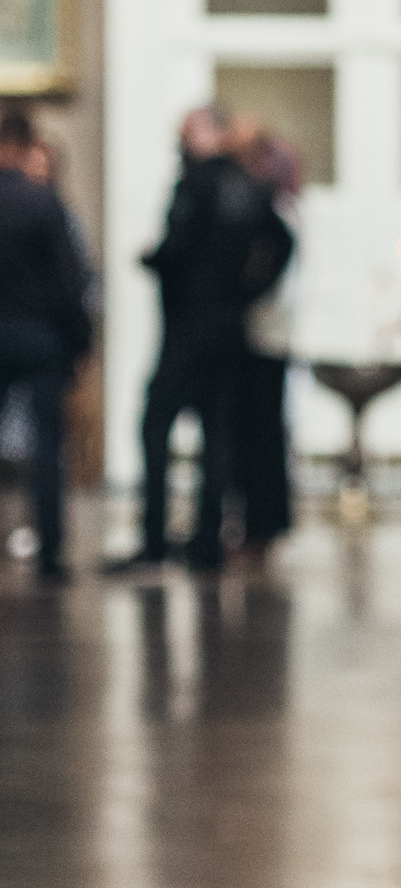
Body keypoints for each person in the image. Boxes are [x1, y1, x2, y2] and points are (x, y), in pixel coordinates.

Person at [104, 108, 291, 575]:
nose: (179, 145)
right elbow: (283, 241)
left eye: (184, 136)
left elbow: (179, 248)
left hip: (189, 328)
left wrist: (153, 259)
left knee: (155, 426)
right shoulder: (249, 186)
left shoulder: (195, 183)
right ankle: (208, 542)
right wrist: (248, 290)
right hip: (228, 328)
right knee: (216, 434)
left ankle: (153, 540)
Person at [0, 106, 92, 580]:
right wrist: (80, 340)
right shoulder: (41, 201)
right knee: (48, 447)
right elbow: (68, 278)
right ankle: (50, 552)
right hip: (40, 338)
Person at [232, 124, 301, 562]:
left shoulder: (273, 210)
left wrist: (245, 293)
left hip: (263, 334)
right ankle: (266, 522)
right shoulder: (285, 206)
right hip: (273, 334)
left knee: (259, 436)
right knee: (267, 433)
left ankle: (262, 524)